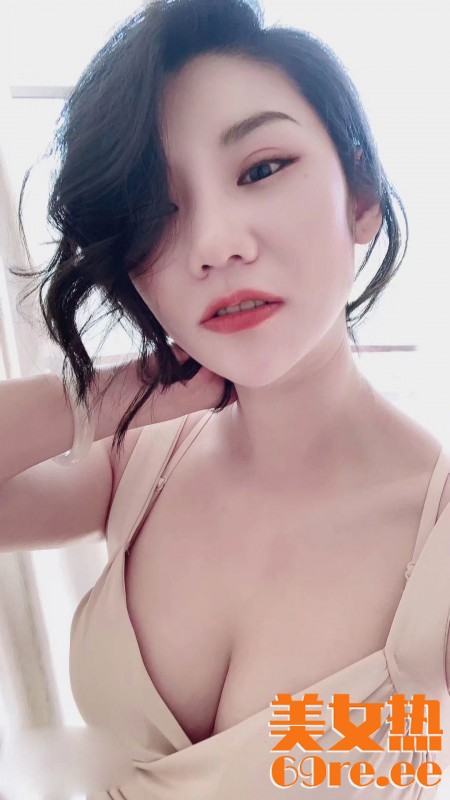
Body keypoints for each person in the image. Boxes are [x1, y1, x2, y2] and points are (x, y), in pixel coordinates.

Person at [2, 0, 450, 796]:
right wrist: (107, 395)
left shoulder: (434, 535)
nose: (214, 245)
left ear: (361, 197)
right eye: (156, 209)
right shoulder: (143, 460)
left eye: (261, 169)